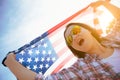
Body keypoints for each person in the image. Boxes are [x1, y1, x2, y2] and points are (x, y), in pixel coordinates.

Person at [2, 0, 120, 80]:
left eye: (75, 31)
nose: (74, 37)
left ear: (88, 30)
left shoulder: (113, 39)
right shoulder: (81, 68)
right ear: (74, 48)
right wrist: (11, 61)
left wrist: (104, 4)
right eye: (69, 39)